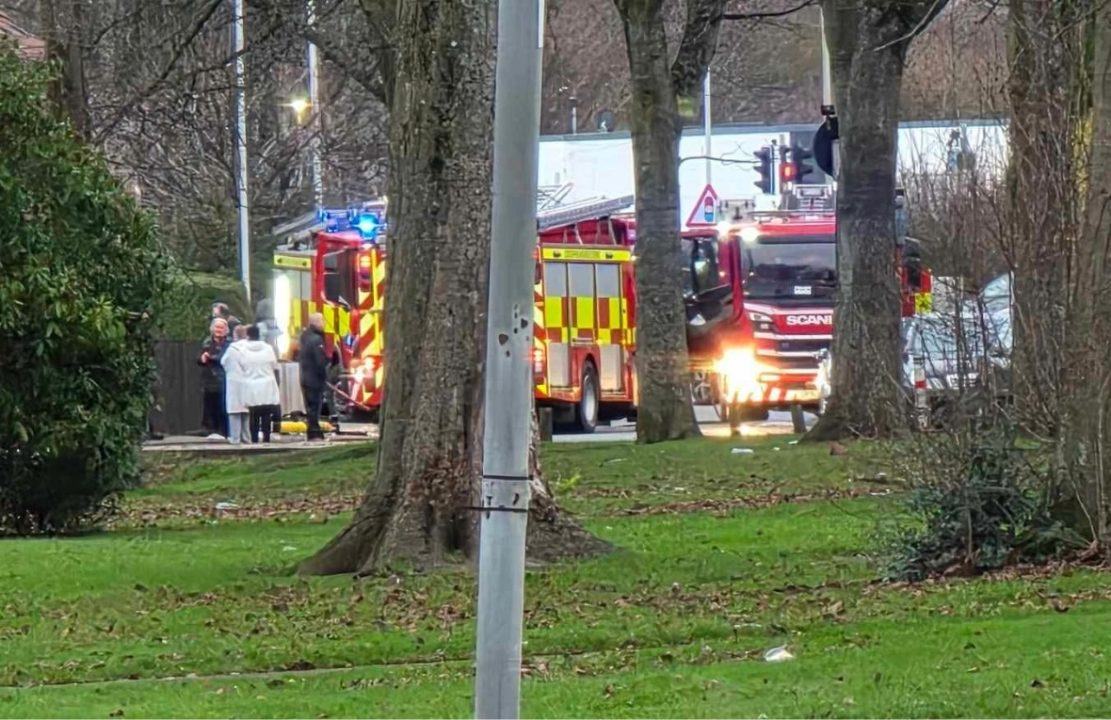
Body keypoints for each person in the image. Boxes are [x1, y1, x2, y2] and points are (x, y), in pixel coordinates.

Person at [236, 324, 282, 443]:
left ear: (248, 335)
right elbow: (274, 366)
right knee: (266, 414)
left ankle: (254, 440)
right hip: (267, 384)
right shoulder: (268, 348)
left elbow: (240, 366)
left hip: (251, 385)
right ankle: (266, 439)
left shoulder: (242, 350)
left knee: (253, 415)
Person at [198, 318, 231, 437]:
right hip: (209, 379)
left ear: (226, 330)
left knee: (222, 406)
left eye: (221, 328)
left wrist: (210, 358)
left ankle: (224, 431)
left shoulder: (229, 344)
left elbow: (224, 359)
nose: (218, 330)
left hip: (224, 379)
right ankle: (210, 430)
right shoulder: (206, 342)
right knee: (209, 406)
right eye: (217, 327)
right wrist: (202, 359)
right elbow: (199, 359)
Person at [299, 313, 329, 441]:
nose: (324, 324)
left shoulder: (304, 337)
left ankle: (312, 432)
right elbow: (320, 362)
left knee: (310, 407)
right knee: (315, 407)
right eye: (322, 321)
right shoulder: (317, 339)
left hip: (305, 376)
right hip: (315, 379)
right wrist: (324, 375)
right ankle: (315, 433)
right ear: (316, 322)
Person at [221, 325, 252, 444]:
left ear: (235, 335)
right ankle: (246, 438)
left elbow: (224, 361)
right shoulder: (250, 347)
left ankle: (235, 438)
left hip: (234, 381)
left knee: (234, 411)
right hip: (248, 381)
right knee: (245, 412)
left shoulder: (232, 348)